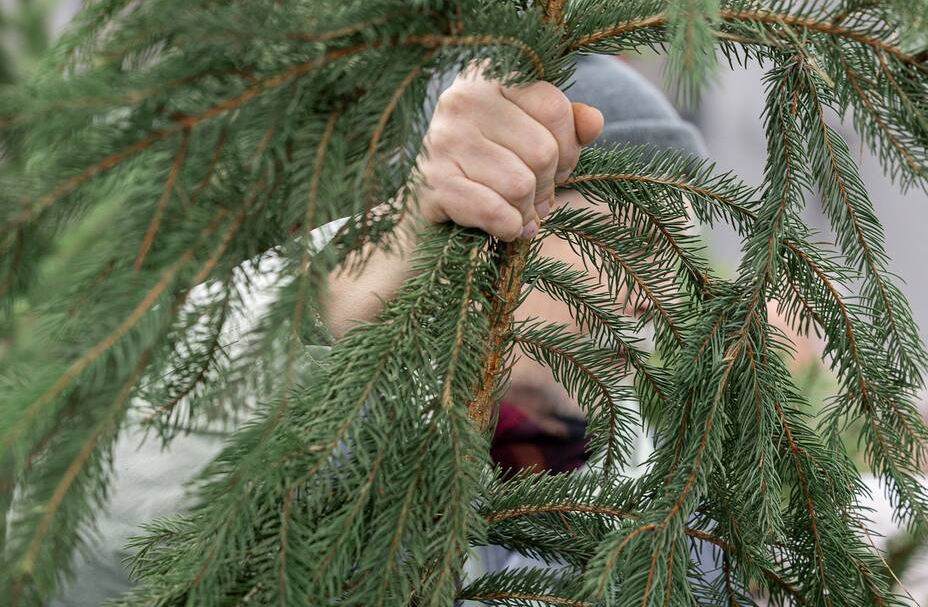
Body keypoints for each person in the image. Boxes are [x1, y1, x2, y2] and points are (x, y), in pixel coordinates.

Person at [56, 55, 815, 604]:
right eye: (624, 246)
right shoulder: (325, 439)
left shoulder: (651, 504)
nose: (654, 300)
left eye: (674, 257)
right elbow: (87, 550)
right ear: (484, 214)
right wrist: (335, 297)